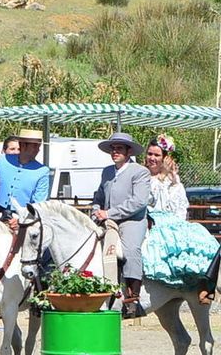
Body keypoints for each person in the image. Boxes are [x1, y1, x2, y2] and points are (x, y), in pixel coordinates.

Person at [140, 134, 221, 302]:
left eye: (156, 155)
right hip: (147, 220)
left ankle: (204, 286)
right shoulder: (141, 176)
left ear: (164, 158)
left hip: (168, 222)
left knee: (197, 244)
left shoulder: (173, 181)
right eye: (150, 154)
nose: (152, 158)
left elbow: (179, 209)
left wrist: (169, 223)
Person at [91, 131, 152, 319]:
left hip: (132, 220)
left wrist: (109, 213)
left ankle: (132, 298)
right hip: (106, 219)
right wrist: (95, 210)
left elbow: (139, 201)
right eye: (113, 148)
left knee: (130, 249)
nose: (115, 152)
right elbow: (99, 195)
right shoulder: (107, 171)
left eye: (119, 148)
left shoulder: (140, 172)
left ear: (128, 151)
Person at [0, 128, 51, 227]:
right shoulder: (3, 160)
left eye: (38, 146)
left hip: (23, 220)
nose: (38, 150)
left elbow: (39, 203)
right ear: (23, 145)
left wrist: (22, 219)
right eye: (34, 146)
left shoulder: (42, 171)